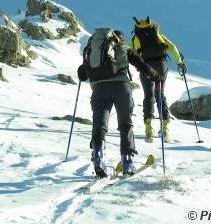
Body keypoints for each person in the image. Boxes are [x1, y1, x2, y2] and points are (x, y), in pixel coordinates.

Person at [78, 28, 161, 177]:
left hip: (99, 89)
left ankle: (98, 156)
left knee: (100, 124)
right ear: (119, 39)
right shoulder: (124, 49)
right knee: (125, 124)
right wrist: (156, 76)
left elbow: (82, 75)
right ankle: (127, 162)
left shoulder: (96, 51)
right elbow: (142, 65)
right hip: (121, 88)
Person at [131, 16, 187, 143]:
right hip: (161, 66)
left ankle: (149, 129)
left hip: (146, 67)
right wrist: (179, 62)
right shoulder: (156, 33)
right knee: (160, 93)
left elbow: (131, 51)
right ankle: (165, 128)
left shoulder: (136, 37)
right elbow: (171, 46)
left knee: (148, 96)